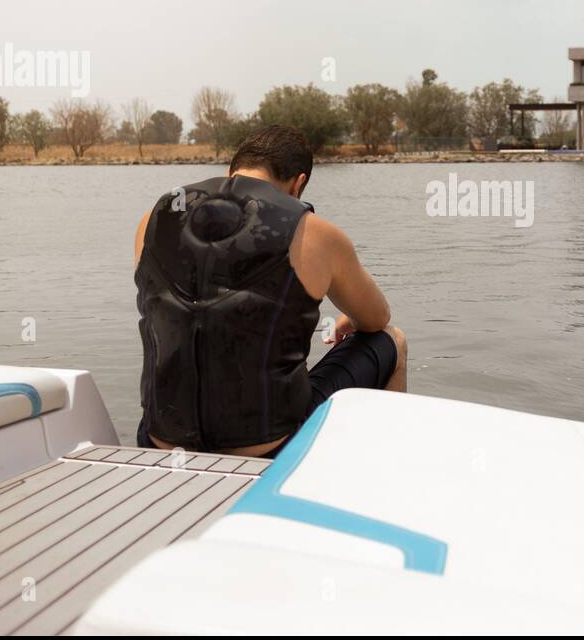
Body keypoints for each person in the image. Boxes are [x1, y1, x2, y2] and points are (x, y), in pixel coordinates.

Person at [132, 124, 406, 457]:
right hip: (272, 449)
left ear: (230, 172)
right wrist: (351, 318)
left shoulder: (153, 219)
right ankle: (387, 468)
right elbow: (377, 318)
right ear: (298, 183)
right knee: (393, 340)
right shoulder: (315, 233)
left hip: (157, 438)